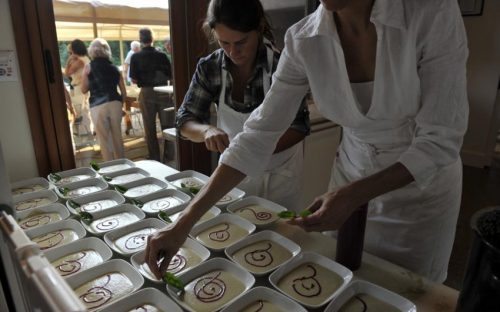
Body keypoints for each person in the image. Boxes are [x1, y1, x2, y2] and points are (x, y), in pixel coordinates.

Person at [146, 0, 468, 284]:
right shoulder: (303, 39)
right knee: (340, 280)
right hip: (351, 172)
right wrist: (183, 223)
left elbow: (440, 140)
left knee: (406, 290)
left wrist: (354, 194)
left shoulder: (430, 12)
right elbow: (257, 134)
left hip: (418, 190)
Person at [175, 0, 310, 210]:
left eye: (241, 42)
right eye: (224, 43)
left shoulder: (280, 66)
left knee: (281, 234)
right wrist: (206, 130)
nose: (232, 51)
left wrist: (251, 150)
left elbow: (299, 127)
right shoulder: (209, 68)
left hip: (279, 173)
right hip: (232, 175)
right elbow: (184, 121)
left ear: (259, 29)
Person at [130, 28, 174, 161]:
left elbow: (133, 80)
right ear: (152, 39)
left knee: (149, 127)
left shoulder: (135, 56)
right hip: (163, 91)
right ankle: (169, 156)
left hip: (147, 92)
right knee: (167, 125)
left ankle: (154, 157)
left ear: (140, 40)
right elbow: (171, 76)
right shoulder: (162, 56)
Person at [81, 38, 126, 161]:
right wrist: (120, 105)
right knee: (117, 137)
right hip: (115, 103)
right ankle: (123, 164)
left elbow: (84, 89)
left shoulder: (88, 67)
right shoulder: (115, 68)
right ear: (107, 51)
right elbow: (123, 91)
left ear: (91, 51)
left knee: (104, 139)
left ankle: (110, 167)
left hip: (98, 104)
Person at [64, 39, 92, 135]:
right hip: (82, 86)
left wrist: (69, 60)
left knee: (80, 110)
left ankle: (84, 133)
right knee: (83, 110)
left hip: (80, 87)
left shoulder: (80, 60)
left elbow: (67, 73)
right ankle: (85, 132)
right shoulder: (85, 58)